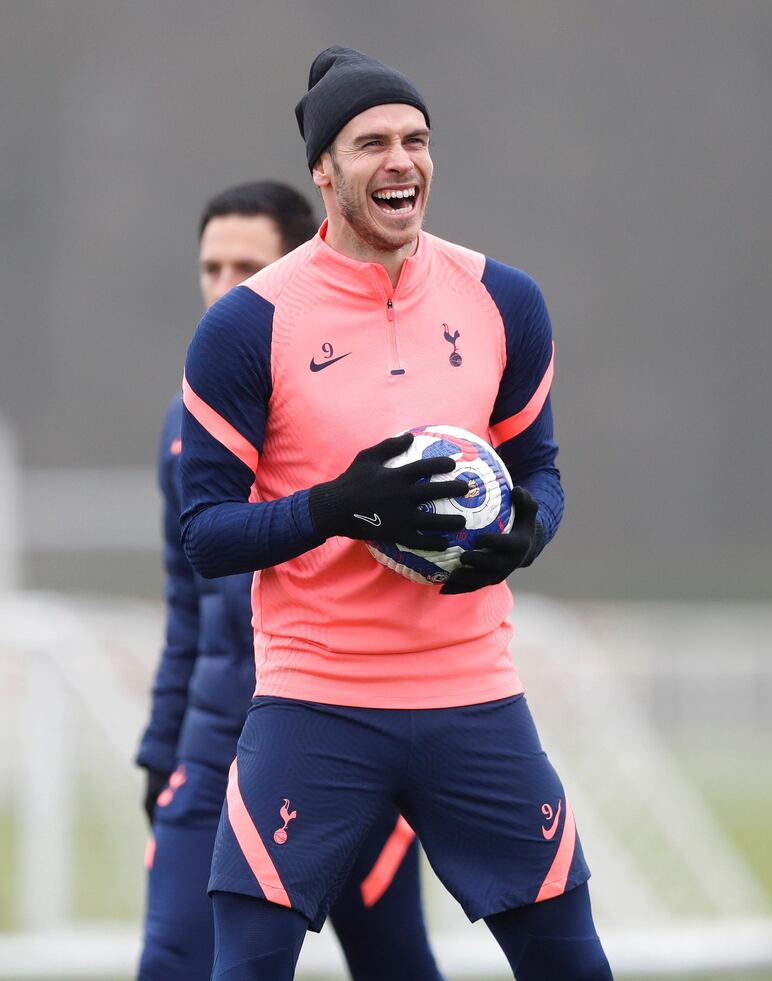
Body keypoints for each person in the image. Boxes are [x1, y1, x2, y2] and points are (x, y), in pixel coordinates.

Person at [181, 47, 613, 981]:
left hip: (475, 696)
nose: (401, 160)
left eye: (416, 139)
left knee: (572, 964)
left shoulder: (504, 299)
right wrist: (337, 507)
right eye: (371, 141)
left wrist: (527, 531)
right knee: (245, 967)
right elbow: (204, 535)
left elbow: (540, 468)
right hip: (314, 701)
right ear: (323, 172)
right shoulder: (247, 324)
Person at [135, 180, 443, 981]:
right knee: (171, 962)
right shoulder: (185, 422)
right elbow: (187, 605)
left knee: (396, 965)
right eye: (211, 267)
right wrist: (159, 748)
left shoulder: (369, 412)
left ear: (301, 270)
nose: (223, 288)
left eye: (247, 266)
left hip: (341, 742)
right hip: (210, 756)